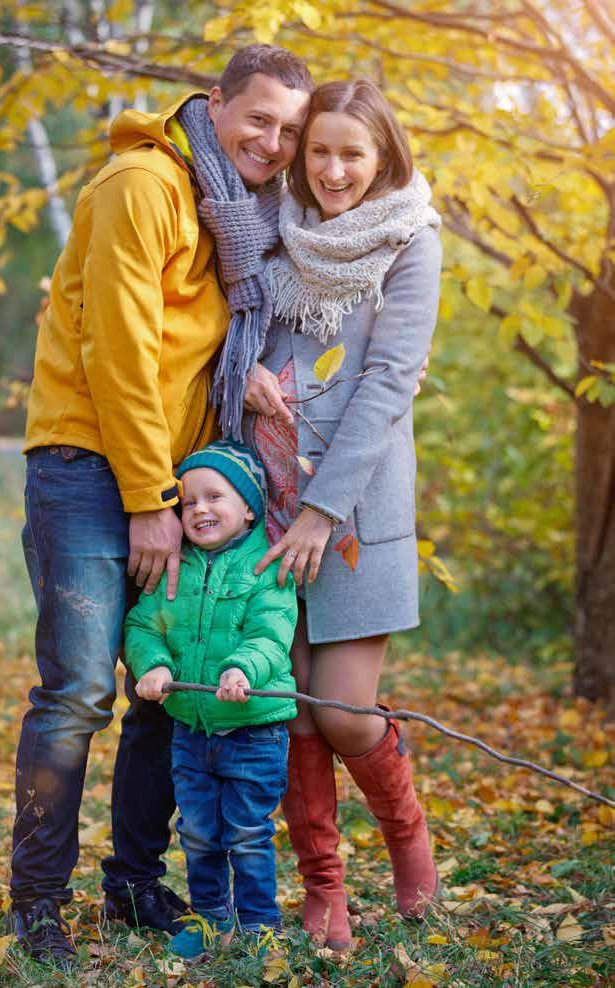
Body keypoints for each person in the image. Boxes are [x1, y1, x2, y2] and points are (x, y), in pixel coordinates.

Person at [11, 46, 313, 966]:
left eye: (289, 130)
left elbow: (190, 339)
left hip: (171, 473)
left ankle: (134, 881)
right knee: (78, 692)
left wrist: (243, 378)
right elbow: (118, 350)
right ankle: (37, 902)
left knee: (164, 689)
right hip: (89, 464)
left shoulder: (228, 209)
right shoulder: (142, 186)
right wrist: (151, 497)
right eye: (258, 118)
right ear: (214, 104)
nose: (273, 142)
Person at [242, 79, 442, 951]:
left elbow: (390, 380)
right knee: (289, 708)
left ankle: (408, 841)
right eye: (317, 150)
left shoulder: (410, 239)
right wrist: (241, 371)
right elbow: (229, 332)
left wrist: (322, 511)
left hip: (352, 510)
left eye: (350, 154)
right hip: (262, 498)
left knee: (343, 711)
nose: (330, 170)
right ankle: (323, 889)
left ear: (381, 155)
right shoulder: (266, 230)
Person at [125, 440, 297, 959]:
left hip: (254, 731)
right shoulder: (174, 567)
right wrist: (153, 664)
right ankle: (210, 918)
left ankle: (260, 924)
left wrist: (243, 668)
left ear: (249, 508)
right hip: (191, 732)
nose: (199, 509)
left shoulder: (266, 566)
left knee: (247, 833)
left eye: (214, 497)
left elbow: (271, 633)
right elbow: (143, 625)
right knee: (198, 833)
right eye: (188, 502)